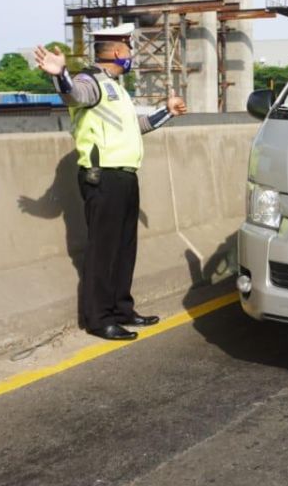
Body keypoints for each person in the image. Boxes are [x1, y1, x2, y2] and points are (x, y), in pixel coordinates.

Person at [33, 25, 187, 341]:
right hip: (102, 176)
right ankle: (99, 318)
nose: (131, 53)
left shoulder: (115, 87)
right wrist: (60, 75)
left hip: (125, 175)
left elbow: (134, 128)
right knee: (104, 250)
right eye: (129, 48)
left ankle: (121, 309)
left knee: (124, 247)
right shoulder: (89, 81)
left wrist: (166, 113)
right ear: (118, 52)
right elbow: (73, 95)